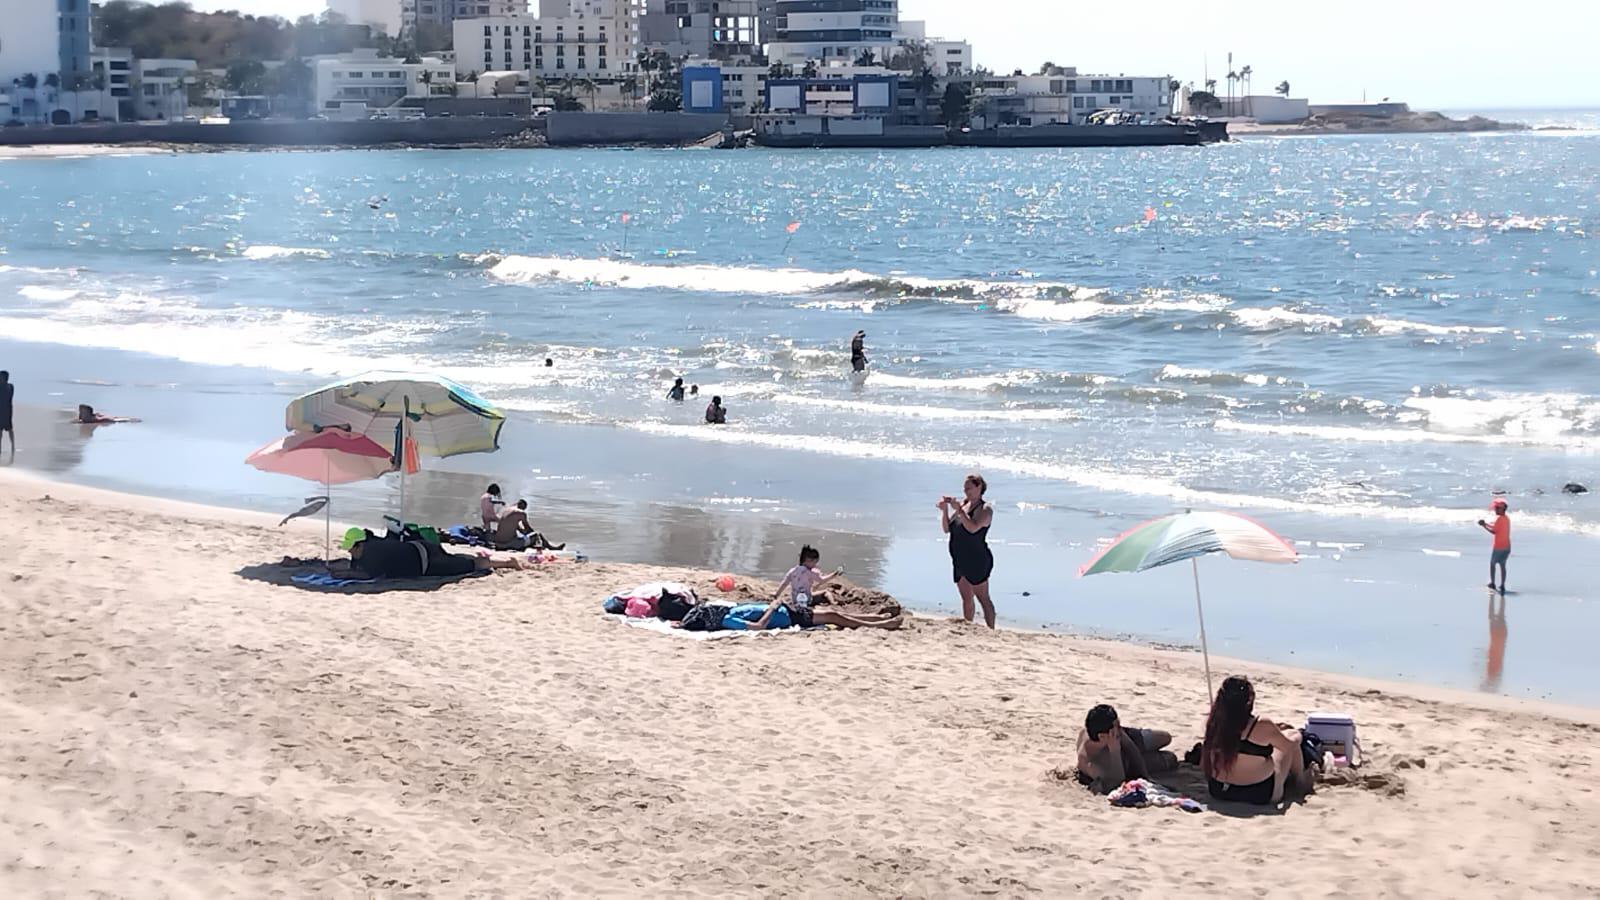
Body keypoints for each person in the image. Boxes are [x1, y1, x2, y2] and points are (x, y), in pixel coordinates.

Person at [1201, 675, 1316, 807]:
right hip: (1259, 793)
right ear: (1249, 701)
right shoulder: (1261, 724)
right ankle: (1300, 782)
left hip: (1219, 790)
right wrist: (1298, 735)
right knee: (1290, 738)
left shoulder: (1214, 723)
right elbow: (1289, 747)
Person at [746, 545, 904, 631]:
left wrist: (776, 597)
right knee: (835, 616)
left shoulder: (793, 571)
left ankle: (876, 618)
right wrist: (835, 574)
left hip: (796, 608)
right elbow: (821, 580)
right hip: (798, 614)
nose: (815, 564)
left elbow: (783, 584)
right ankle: (880, 623)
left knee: (836, 614)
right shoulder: (809, 572)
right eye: (814, 562)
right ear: (808, 560)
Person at [342, 527, 529, 578]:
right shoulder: (371, 546)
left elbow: (368, 575)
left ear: (360, 545)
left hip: (427, 562)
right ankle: (497, 558)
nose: (350, 551)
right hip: (421, 547)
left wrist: (343, 574)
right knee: (457, 559)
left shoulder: (372, 552)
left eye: (351, 548)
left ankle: (508, 562)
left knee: (469, 565)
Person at [1075, 704, 1176, 793]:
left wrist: (1145, 776)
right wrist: (1115, 750)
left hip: (1132, 739)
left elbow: (1130, 747)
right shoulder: (1091, 764)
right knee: (1170, 758)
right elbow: (1117, 781)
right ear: (1102, 736)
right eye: (1117, 726)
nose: (1119, 728)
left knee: (1165, 737)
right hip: (1125, 764)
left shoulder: (1108, 733)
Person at [940, 473, 995, 628]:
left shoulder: (985, 509)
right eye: (965, 489)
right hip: (959, 559)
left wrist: (960, 511)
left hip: (977, 559)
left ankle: (991, 629)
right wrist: (944, 510)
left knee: (983, 598)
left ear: (979, 487)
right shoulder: (964, 504)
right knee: (966, 598)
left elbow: (972, 528)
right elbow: (947, 529)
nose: (966, 492)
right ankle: (969, 627)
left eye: (969, 488)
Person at [494, 499, 565, 551]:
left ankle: (539, 546)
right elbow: (528, 528)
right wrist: (534, 535)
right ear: (523, 507)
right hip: (508, 544)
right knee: (537, 534)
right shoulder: (521, 513)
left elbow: (516, 527)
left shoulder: (506, 510)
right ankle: (551, 548)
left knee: (524, 538)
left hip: (498, 543)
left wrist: (523, 532)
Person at [1477, 499, 1511, 593]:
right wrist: (1485, 524)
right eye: (1495, 508)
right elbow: (1495, 527)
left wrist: (1484, 526)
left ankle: (1492, 583)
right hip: (1507, 546)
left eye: (1497, 508)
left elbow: (1494, 531)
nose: (1495, 509)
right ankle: (1502, 584)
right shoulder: (1506, 518)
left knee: (1492, 564)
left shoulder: (1499, 519)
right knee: (1503, 565)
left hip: (1499, 546)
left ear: (1502, 509)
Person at [0, 370, 13, 460]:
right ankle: (12, 446)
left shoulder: (8, 387)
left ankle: (12, 446)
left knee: (8, 430)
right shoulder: (10, 386)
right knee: (8, 430)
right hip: (7, 410)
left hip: (5, 411)